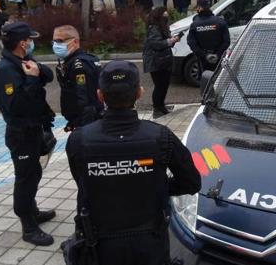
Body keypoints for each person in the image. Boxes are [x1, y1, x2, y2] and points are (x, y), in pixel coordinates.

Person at [64, 60, 201, 265]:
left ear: (100, 95)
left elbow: (83, 183)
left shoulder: (79, 140)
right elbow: (191, 182)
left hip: (99, 246)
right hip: (150, 243)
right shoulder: (161, 136)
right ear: (139, 93)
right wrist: (156, 185)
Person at [0, 22, 57, 246]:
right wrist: (30, 79)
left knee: (34, 173)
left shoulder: (21, 61)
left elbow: (47, 76)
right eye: (30, 39)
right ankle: (28, 226)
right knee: (25, 179)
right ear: (22, 43)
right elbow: (15, 106)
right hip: (21, 134)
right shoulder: (5, 71)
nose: (32, 42)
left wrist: (35, 71)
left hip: (34, 129)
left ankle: (33, 210)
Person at [53, 25, 103, 131]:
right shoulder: (72, 61)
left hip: (87, 121)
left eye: (60, 41)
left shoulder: (78, 64)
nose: (56, 45)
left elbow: (84, 98)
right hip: (82, 119)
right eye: (54, 42)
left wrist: (83, 127)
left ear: (75, 42)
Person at [143, 7, 181, 118]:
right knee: (159, 86)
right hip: (156, 61)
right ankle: (157, 109)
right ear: (159, 15)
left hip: (164, 60)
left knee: (164, 85)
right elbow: (156, 44)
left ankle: (161, 106)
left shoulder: (163, 26)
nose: (167, 15)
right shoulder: (154, 27)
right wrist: (171, 40)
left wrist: (173, 40)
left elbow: (165, 42)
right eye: (165, 14)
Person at [187, 0, 230, 73]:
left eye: (197, 7)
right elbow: (226, 41)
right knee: (217, 79)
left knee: (205, 79)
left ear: (200, 8)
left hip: (203, 59)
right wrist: (217, 54)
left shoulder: (194, 24)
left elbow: (191, 43)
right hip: (218, 57)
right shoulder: (220, 22)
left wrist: (205, 55)